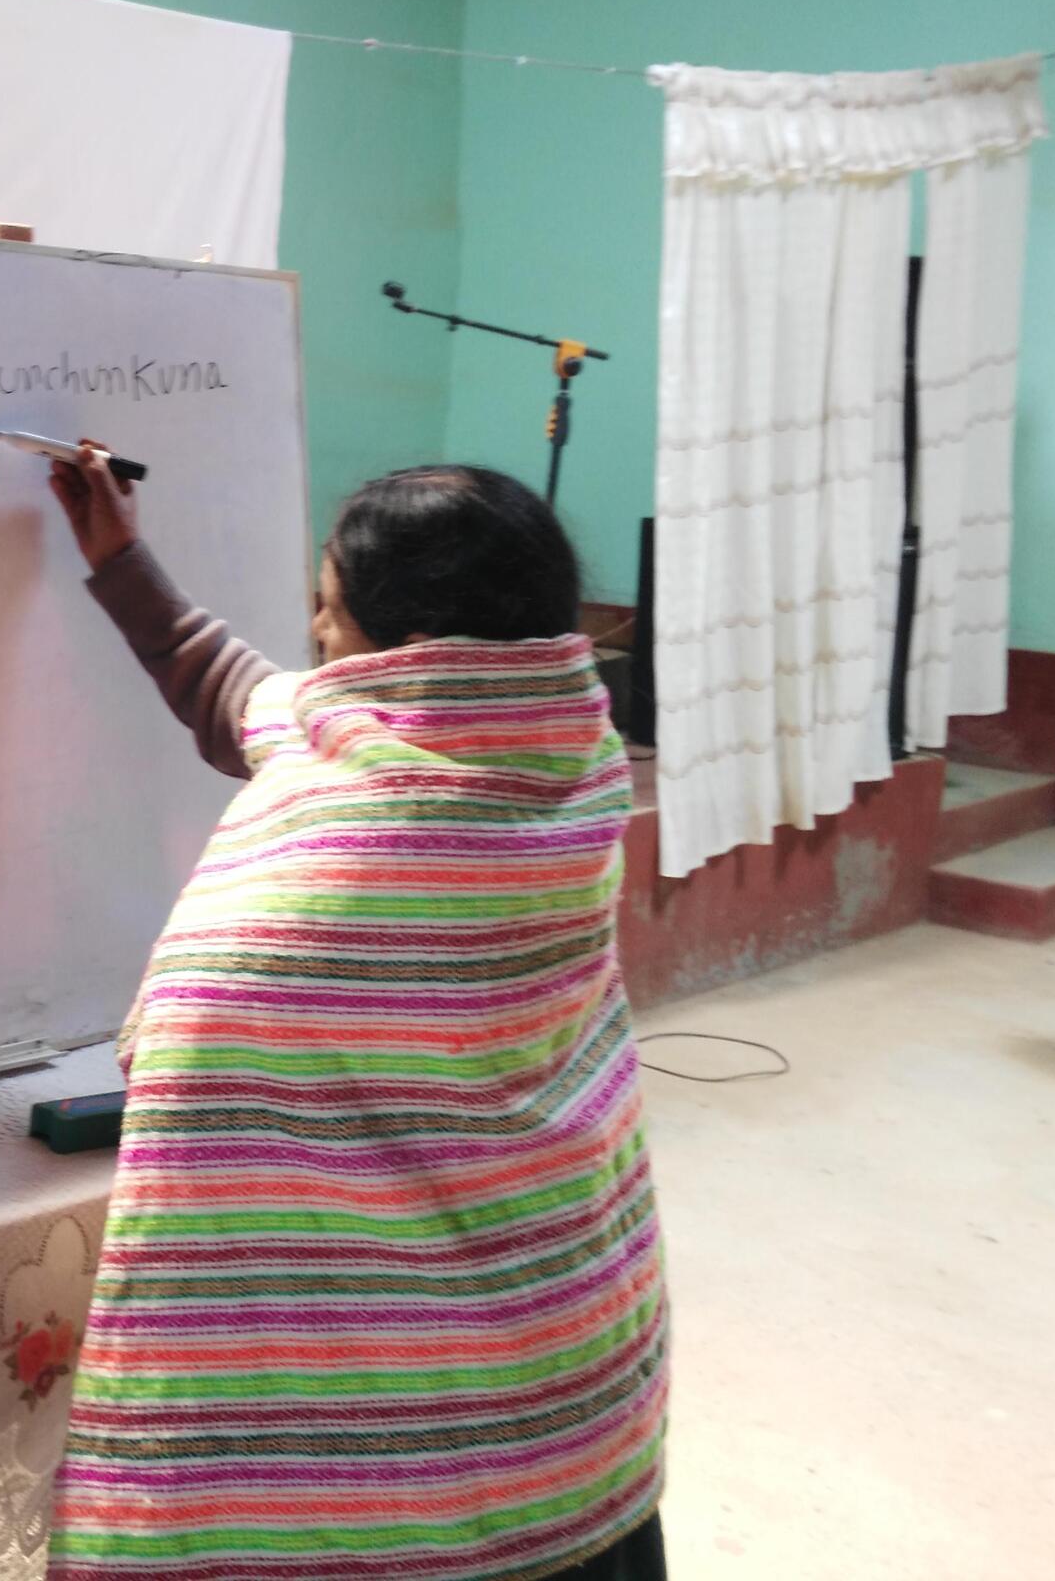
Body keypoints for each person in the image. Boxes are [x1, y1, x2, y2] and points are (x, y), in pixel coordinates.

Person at [45, 454, 669, 1581]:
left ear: (409, 657)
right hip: (563, 1375)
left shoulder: (343, 829)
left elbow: (202, 1032)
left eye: (328, 615)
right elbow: (248, 697)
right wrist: (121, 560)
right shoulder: (566, 755)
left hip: (355, 1437)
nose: (315, 643)